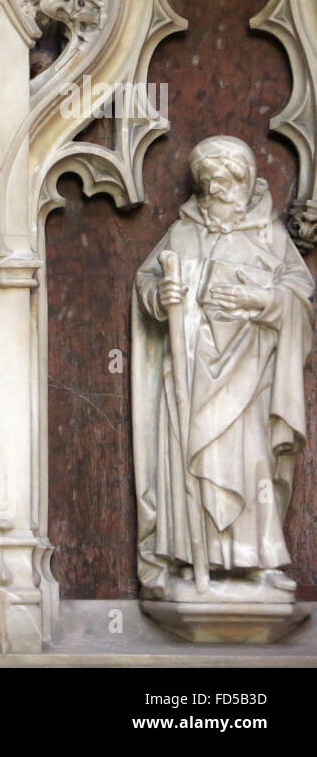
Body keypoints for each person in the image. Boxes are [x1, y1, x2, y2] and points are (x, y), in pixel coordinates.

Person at [133, 135, 314, 597]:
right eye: (208, 183)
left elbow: (301, 297)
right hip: (193, 368)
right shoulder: (184, 231)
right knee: (190, 462)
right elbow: (149, 282)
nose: (216, 192)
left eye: (226, 182)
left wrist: (260, 299)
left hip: (250, 373)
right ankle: (192, 559)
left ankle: (258, 562)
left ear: (246, 181)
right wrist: (161, 296)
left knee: (251, 461)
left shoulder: (270, 235)